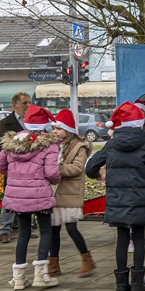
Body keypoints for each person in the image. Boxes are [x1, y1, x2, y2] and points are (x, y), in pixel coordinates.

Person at [85, 102, 145, 291]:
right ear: (139, 124)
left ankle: (121, 287)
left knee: (121, 239)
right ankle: (137, 286)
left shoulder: (111, 144)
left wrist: (101, 176)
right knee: (138, 238)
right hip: (139, 198)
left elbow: (90, 167)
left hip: (117, 199)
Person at [0, 104, 60, 291]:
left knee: (23, 233)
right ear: (44, 125)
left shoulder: (13, 141)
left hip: (17, 196)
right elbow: (52, 172)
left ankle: (19, 279)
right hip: (39, 195)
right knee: (46, 231)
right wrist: (55, 179)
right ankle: (41, 276)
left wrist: (14, 175)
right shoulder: (49, 144)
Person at [47, 109, 95, 278]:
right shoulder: (54, 145)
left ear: (68, 129)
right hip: (55, 193)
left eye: (58, 129)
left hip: (70, 193)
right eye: (53, 128)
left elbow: (76, 168)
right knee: (53, 230)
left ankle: (87, 259)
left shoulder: (79, 146)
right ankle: (53, 264)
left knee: (71, 228)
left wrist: (55, 169)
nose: (55, 132)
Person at [0, 92, 31, 243]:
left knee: (28, 198)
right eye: (24, 103)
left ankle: (26, 229)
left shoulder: (34, 122)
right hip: (13, 169)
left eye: (29, 103)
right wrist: (11, 156)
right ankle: (5, 230)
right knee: (10, 199)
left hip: (30, 170)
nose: (27, 106)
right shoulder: (4, 124)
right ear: (14, 105)